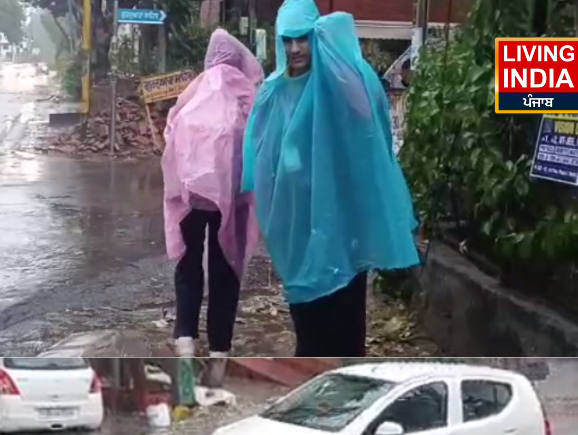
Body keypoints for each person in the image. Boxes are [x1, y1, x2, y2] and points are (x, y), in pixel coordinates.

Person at [242, 0, 420, 357]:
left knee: (346, 321)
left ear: (316, 37)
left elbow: (368, 120)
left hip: (344, 225)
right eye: (288, 40)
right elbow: (257, 155)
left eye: (303, 38)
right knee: (308, 323)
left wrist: (338, 53)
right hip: (296, 225)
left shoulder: (341, 82)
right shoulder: (274, 91)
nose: (295, 49)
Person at [162, 29, 265, 358]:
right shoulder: (243, 91)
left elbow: (170, 132)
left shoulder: (194, 91)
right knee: (225, 265)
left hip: (190, 195)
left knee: (189, 260)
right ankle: (220, 345)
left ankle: (185, 336)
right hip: (229, 197)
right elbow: (259, 137)